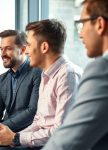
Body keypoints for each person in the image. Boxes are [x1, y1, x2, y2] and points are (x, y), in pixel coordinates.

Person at [0, 19, 83, 149]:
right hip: (39, 141)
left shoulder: (68, 74)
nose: (26, 51)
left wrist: (15, 138)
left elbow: (61, 131)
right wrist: (13, 137)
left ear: (44, 47)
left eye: (29, 45)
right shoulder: (46, 74)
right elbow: (38, 121)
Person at [43, 0, 108, 149]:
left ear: (99, 24)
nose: (80, 33)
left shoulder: (102, 69)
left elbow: (67, 143)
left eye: (82, 23)